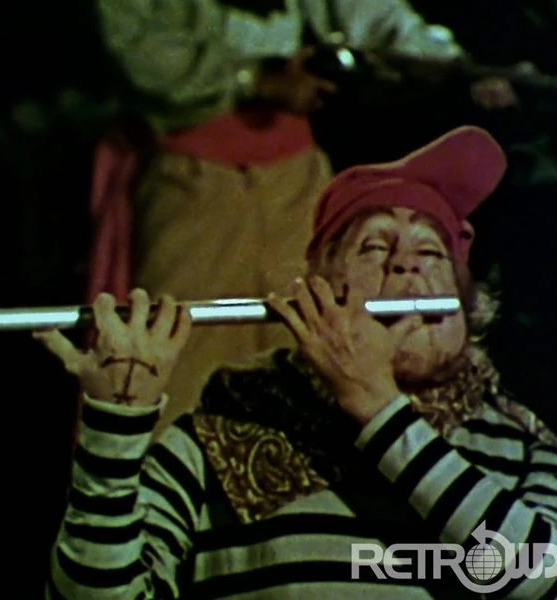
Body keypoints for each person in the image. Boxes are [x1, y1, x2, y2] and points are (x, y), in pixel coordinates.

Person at [38, 125, 557, 599]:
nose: (405, 266)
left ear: (465, 308)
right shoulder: (212, 442)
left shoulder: (524, 447)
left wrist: (375, 404)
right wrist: (113, 430)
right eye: (374, 248)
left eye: (430, 252)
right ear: (318, 293)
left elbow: (542, 579)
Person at [89, 0, 518, 433]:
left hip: (294, 182)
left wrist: (456, 65)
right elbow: (143, 54)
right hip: (192, 180)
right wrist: (254, 79)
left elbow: (368, 12)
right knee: (178, 352)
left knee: (306, 353)